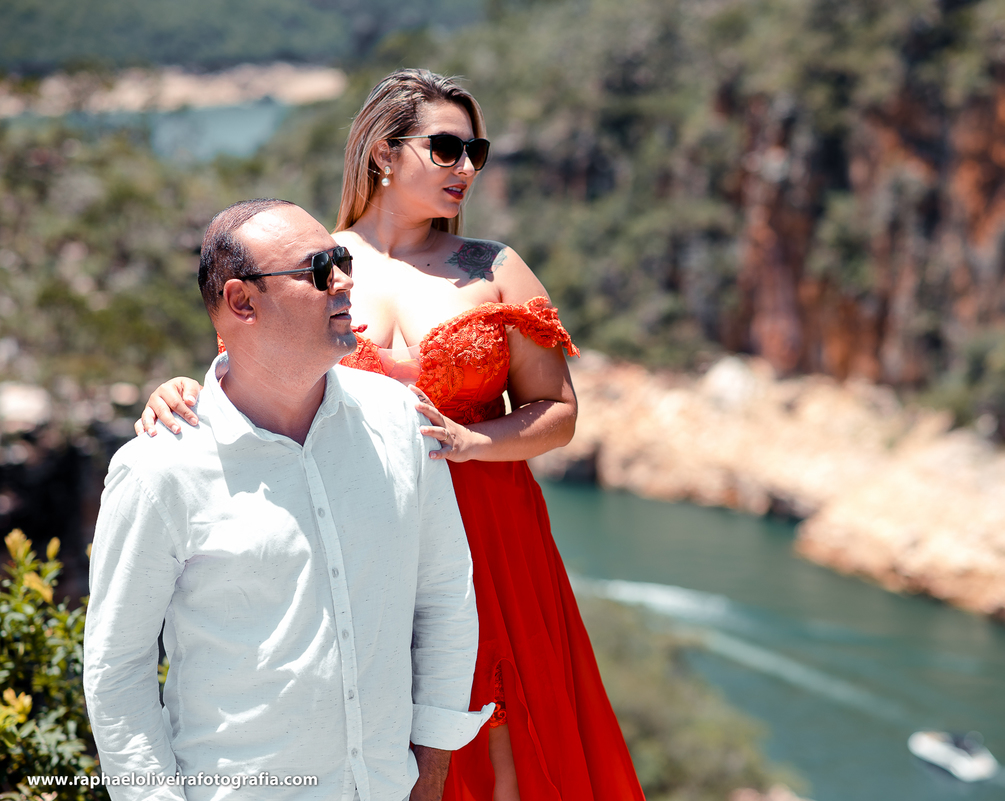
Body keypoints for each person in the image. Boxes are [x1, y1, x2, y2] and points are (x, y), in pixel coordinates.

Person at [137, 70, 645, 801]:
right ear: (383, 151)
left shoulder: (495, 268)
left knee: (507, 738)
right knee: (381, 730)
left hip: (495, 537)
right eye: (445, 148)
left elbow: (558, 410)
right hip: (369, 530)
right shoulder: (320, 262)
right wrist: (179, 390)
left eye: (477, 151)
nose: (466, 168)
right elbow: (256, 368)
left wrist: (475, 444)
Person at [86, 198, 492, 801]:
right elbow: (118, 674)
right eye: (319, 270)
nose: (347, 282)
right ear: (241, 302)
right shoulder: (158, 469)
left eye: (344, 261)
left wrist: (430, 772)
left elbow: (445, 594)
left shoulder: (401, 420)